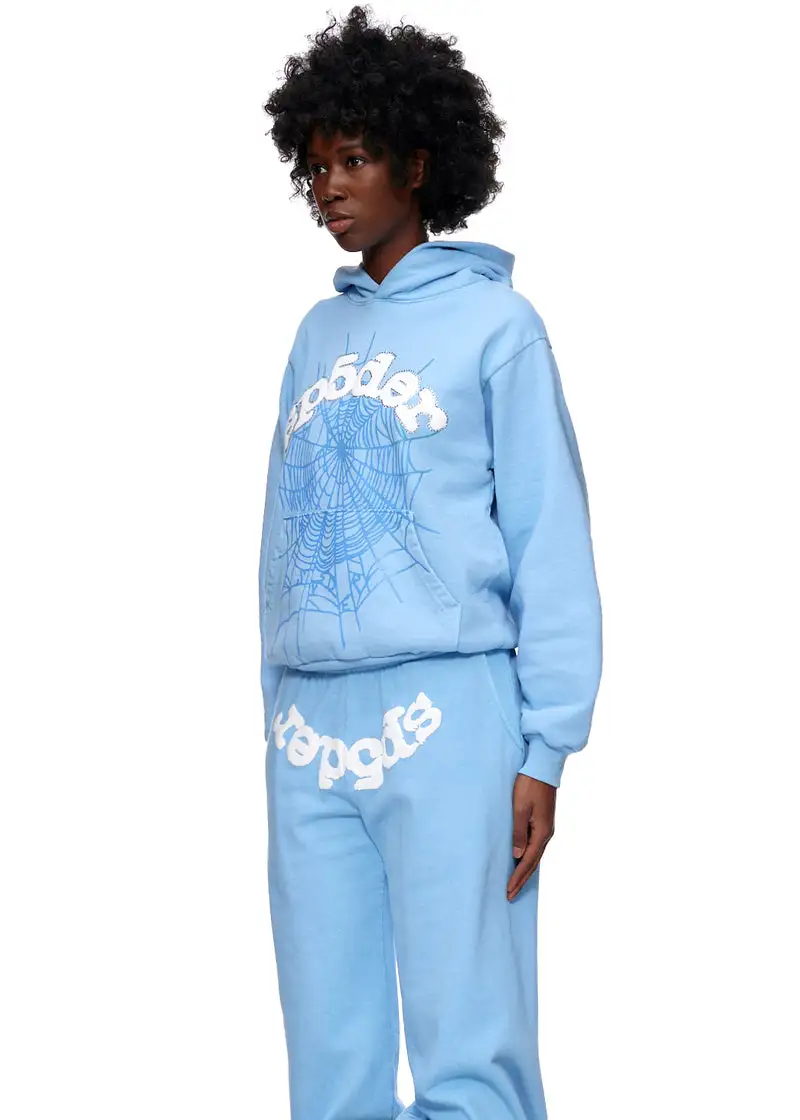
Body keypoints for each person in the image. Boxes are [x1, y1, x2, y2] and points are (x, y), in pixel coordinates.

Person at [258, 7, 603, 1119]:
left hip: (450, 710)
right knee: (330, 1054)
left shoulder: (499, 326)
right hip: (310, 728)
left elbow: (549, 537)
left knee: (470, 1045)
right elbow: (281, 544)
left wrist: (545, 748)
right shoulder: (314, 338)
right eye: (317, 166)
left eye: (355, 160)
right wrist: (275, 707)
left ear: (418, 163)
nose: (330, 187)